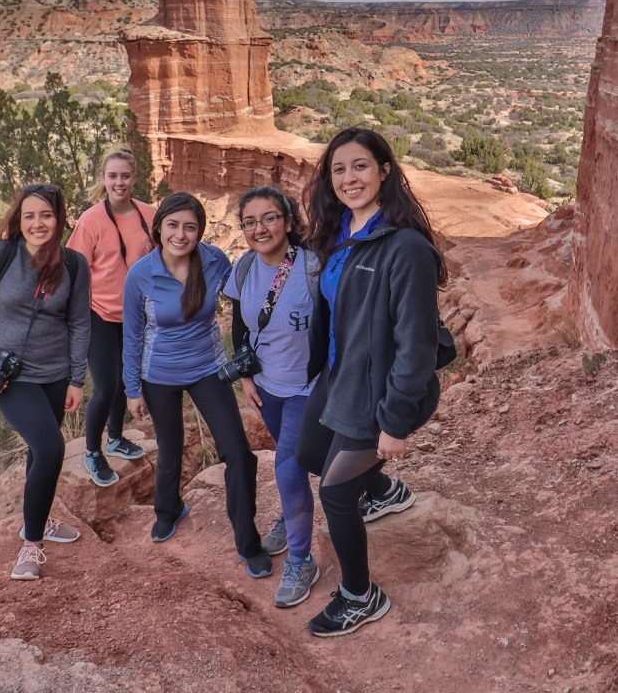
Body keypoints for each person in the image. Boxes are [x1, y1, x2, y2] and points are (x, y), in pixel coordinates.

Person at [297, 126, 447, 637]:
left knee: (336, 494)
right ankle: (383, 491)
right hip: (342, 374)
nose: (348, 178)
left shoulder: (404, 248)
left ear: (385, 170)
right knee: (309, 454)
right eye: (338, 169)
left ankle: (361, 596)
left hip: (380, 388)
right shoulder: (338, 232)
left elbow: (417, 347)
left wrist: (395, 422)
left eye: (360, 165)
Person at [122, 192, 271, 579]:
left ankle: (247, 541)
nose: (181, 234)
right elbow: (133, 335)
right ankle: (168, 509)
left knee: (238, 451)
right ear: (159, 229)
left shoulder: (213, 260)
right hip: (159, 376)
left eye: (190, 227)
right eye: (173, 225)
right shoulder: (140, 274)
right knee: (171, 449)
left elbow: (246, 289)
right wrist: (131, 388)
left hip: (208, 368)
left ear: (200, 232)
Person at [0, 183, 90, 581]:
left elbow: (79, 322)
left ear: (59, 219)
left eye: (46, 215)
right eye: (29, 215)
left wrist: (76, 379)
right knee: (51, 448)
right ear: (18, 219)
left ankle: (42, 518)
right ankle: (31, 545)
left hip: (56, 375)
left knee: (39, 450)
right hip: (10, 377)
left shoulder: (75, 264)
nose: (38, 223)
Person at [224, 185, 320, 608]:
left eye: (268, 218)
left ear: (287, 221)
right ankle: (291, 516)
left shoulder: (314, 267)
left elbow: (337, 325)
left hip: (309, 387)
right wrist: (246, 376)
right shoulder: (244, 268)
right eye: (249, 221)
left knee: (287, 467)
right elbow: (240, 327)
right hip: (267, 386)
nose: (259, 228)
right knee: (287, 458)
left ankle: (302, 560)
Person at [67, 148, 156, 486]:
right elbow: (75, 271)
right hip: (99, 314)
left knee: (126, 380)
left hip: (136, 316)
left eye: (125, 176)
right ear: (104, 179)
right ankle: (93, 452)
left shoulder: (149, 215)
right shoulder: (91, 220)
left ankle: (116, 437)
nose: (119, 182)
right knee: (105, 385)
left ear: (135, 178)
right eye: (113, 176)